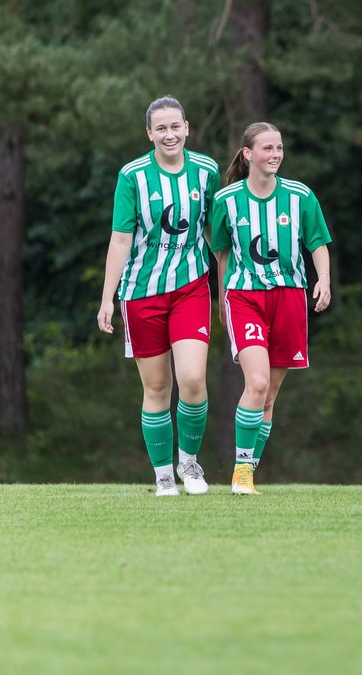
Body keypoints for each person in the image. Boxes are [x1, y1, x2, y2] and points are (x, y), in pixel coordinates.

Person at [97, 96, 218, 497]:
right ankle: (163, 474)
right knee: (157, 388)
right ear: (149, 133)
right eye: (160, 128)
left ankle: (189, 463)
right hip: (141, 292)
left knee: (194, 380)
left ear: (187, 127)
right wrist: (107, 298)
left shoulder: (206, 171)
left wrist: (230, 285)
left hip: (191, 288)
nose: (169, 134)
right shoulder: (132, 176)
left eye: (175, 126)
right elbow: (120, 238)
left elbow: (216, 233)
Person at [208, 122, 332, 496]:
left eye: (279, 148)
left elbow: (317, 242)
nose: (275, 154)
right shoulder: (226, 200)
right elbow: (222, 256)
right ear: (248, 154)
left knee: (270, 394)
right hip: (245, 297)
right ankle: (242, 472)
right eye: (267, 148)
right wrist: (222, 301)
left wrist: (323, 279)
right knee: (257, 382)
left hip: (290, 297)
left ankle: (249, 468)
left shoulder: (300, 196)